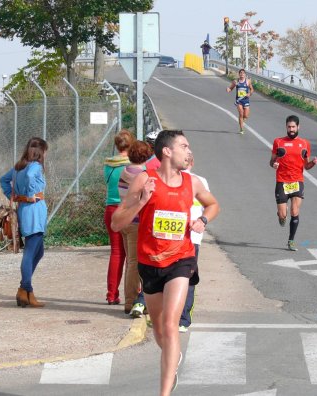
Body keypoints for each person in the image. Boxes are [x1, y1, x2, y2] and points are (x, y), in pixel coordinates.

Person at [111, 129, 219, 395]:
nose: (189, 151)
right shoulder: (144, 181)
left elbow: (213, 204)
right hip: (150, 263)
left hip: (181, 259)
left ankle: (164, 392)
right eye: (184, 146)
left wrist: (202, 221)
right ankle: (173, 358)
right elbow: (116, 223)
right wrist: (141, 202)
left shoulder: (191, 183)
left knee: (171, 324)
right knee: (159, 328)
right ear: (167, 151)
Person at [0, 137, 48, 308]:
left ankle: (24, 289)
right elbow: (29, 175)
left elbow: (3, 180)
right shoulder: (34, 166)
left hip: (24, 210)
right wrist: (29, 194)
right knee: (30, 251)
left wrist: (12, 196)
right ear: (41, 152)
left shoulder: (18, 166)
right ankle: (25, 289)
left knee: (38, 251)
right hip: (34, 211)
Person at [270, 115, 317, 252]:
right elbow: (271, 161)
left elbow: (306, 166)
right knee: (283, 214)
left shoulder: (304, 144)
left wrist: (313, 163)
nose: (291, 129)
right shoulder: (278, 142)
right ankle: (281, 216)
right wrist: (273, 164)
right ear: (286, 127)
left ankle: (291, 241)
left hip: (297, 181)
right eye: (289, 127)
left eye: (293, 127)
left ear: (298, 127)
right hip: (282, 181)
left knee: (295, 211)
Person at [118, 140, 153, 317]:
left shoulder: (125, 171)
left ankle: (130, 298)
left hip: (125, 221)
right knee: (135, 263)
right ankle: (132, 300)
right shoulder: (141, 175)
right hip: (136, 221)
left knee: (129, 261)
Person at [179, 154, 210, 333]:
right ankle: (183, 319)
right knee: (187, 277)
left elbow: (210, 206)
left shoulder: (198, 181)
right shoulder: (201, 180)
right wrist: (202, 220)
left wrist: (201, 220)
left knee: (179, 277)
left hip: (186, 237)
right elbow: (209, 206)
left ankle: (180, 317)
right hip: (192, 238)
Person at [103, 129, 134, 305]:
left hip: (111, 209)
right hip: (128, 209)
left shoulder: (108, 164)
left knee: (116, 252)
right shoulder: (132, 165)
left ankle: (111, 294)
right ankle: (134, 292)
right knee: (132, 254)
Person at [226, 69, 254, 134]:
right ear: (239, 74)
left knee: (246, 115)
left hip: (246, 100)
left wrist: (250, 93)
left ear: (245, 74)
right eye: (240, 73)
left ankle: (242, 120)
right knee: (241, 114)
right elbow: (230, 88)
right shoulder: (236, 82)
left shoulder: (248, 81)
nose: (242, 74)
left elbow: (252, 89)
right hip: (239, 100)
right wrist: (228, 89)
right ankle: (241, 129)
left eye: (243, 73)